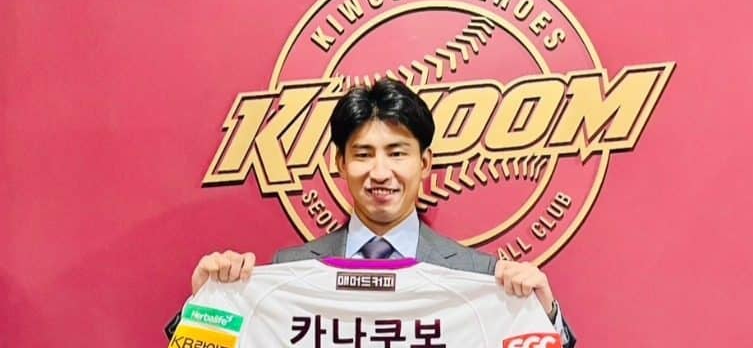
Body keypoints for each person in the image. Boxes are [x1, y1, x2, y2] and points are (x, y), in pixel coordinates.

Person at [166, 79, 576, 347]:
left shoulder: (481, 278)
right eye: (363, 154)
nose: (380, 172)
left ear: (425, 163)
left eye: (397, 153)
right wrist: (207, 303)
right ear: (341, 163)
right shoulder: (286, 272)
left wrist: (543, 315)